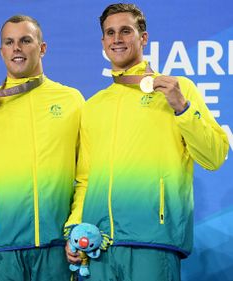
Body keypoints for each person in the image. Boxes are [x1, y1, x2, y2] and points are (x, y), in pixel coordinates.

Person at [64, 3, 229, 280]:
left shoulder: (178, 90)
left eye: (126, 31)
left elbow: (214, 156)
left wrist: (182, 108)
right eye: (110, 33)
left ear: (143, 37)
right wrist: (75, 228)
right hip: (99, 247)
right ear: (103, 42)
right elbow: (85, 180)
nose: (117, 39)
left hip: (153, 242)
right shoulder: (93, 106)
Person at [0, 15, 84, 280]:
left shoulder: (71, 101)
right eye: (9, 42)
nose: (16, 48)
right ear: (1, 51)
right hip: (0, 250)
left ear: (42, 48)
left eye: (25, 40)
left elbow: (86, 175)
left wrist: (75, 229)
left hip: (56, 249)